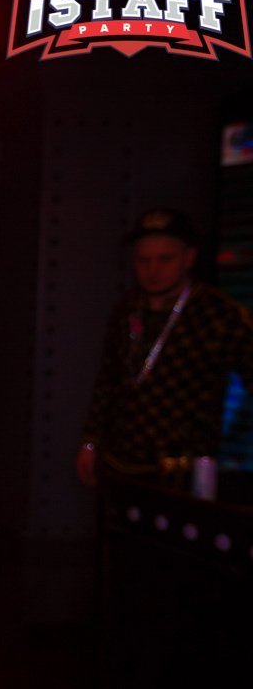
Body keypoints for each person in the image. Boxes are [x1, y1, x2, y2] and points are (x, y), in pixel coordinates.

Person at [77, 208, 253, 487]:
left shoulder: (219, 315)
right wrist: (90, 441)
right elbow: (108, 380)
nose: (153, 270)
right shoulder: (128, 308)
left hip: (180, 472)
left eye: (165, 259)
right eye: (143, 260)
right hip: (119, 463)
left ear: (189, 258)